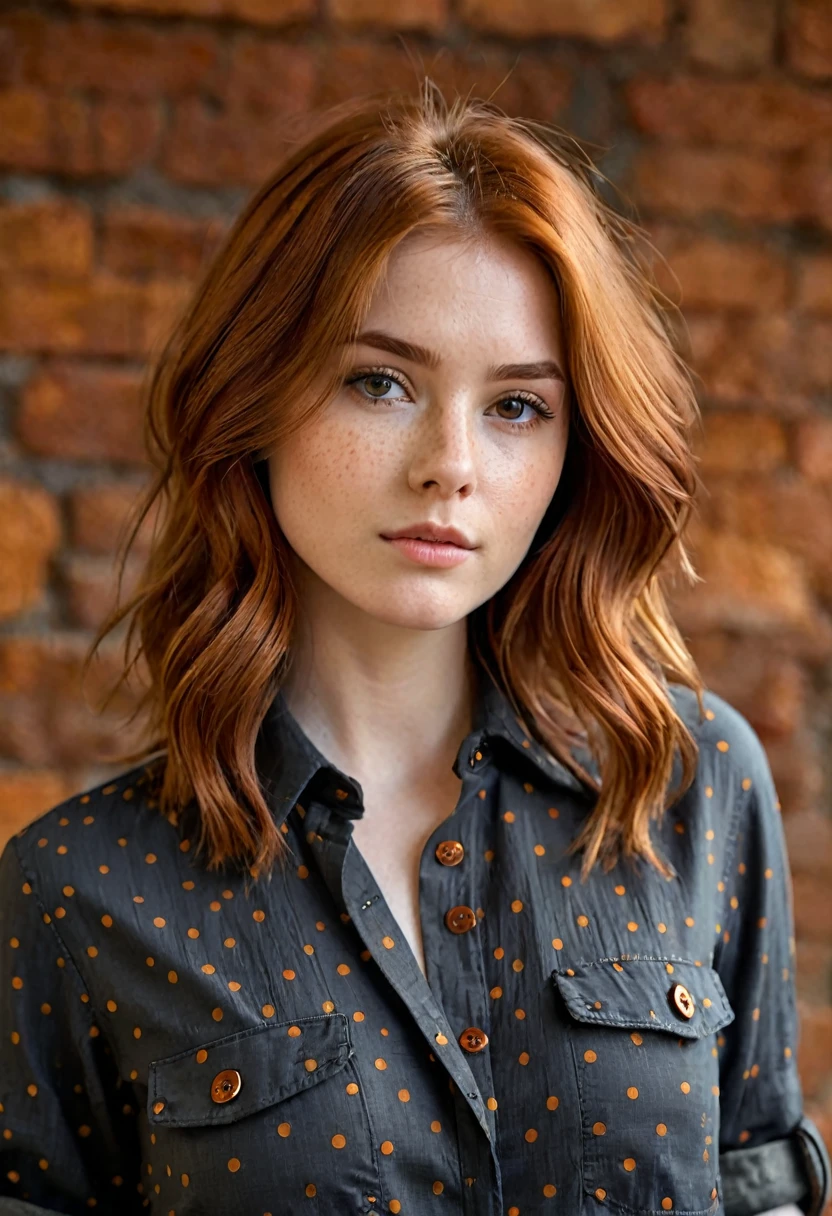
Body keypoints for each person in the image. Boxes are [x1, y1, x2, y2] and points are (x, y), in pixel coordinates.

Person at [0, 82, 828, 1216]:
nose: (451, 463)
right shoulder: (76, 894)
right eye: (378, 381)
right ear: (255, 400)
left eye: (516, 407)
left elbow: (758, 1186)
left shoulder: (688, 783)